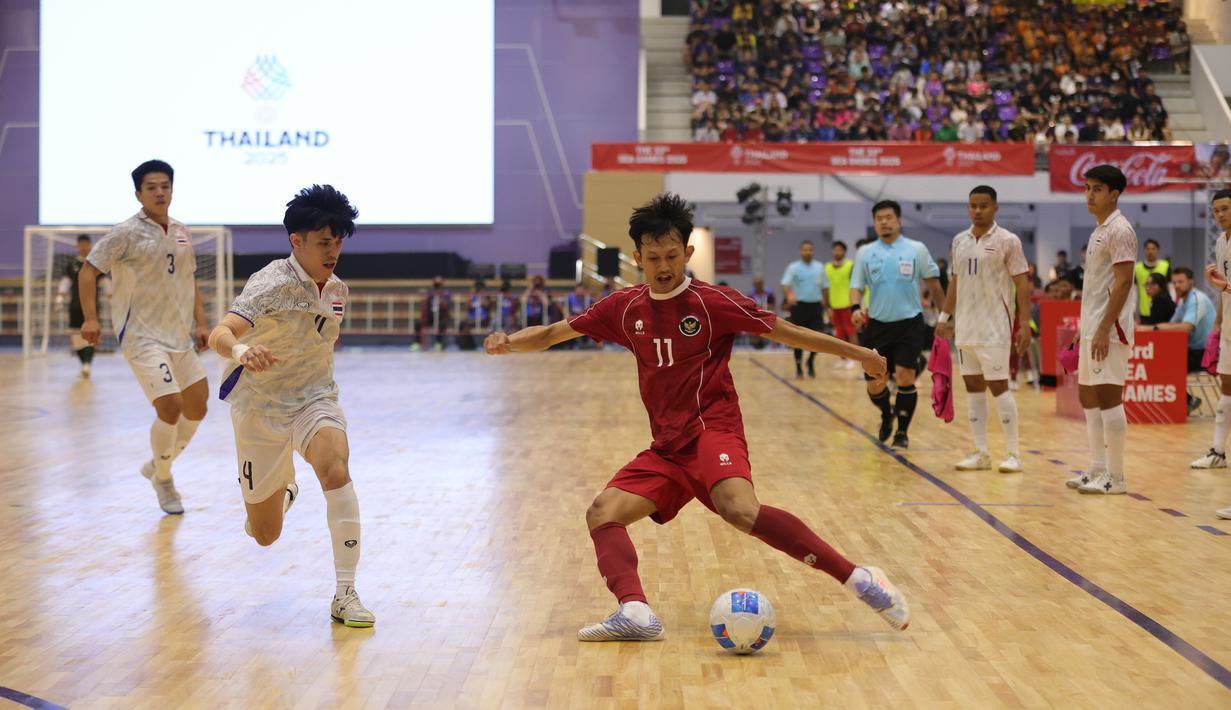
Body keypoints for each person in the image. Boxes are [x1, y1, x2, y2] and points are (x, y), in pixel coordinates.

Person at [484, 193, 909, 641]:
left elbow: (790, 332)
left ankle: (860, 579)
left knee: (738, 509)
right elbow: (553, 333)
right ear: (637, 258)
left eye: (672, 256)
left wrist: (860, 353)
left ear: (687, 253)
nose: (663, 266)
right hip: (667, 447)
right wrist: (510, 341)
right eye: (653, 258)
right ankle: (636, 612)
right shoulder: (624, 308)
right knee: (603, 512)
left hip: (712, 430)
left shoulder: (713, 302)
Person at [207, 185, 374, 628]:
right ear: (296, 241)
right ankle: (282, 491)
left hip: (314, 399)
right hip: (259, 408)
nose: (333, 251)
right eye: (324, 242)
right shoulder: (270, 283)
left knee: (335, 469)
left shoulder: (337, 290)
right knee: (265, 535)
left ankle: (345, 593)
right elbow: (219, 333)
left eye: (338, 242)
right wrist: (242, 350)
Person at [78, 160, 210, 515]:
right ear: (138, 194)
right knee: (170, 406)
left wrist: (201, 323)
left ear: (172, 190)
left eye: (165, 186)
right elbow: (88, 272)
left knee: (198, 406)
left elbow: (189, 281)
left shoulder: (181, 231)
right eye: (151, 187)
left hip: (178, 335)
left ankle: (157, 463)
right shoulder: (125, 233)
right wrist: (90, 317)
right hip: (141, 337)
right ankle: (164, 479)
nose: (159, 192)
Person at [936, 186, 1032, 473]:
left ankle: (1014, 454)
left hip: (995, 329)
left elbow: (1022, 284)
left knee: (999, 387)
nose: (978, 211)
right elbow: (955, 282)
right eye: (973, 206)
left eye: (984, 206)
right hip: (966, 328)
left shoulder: (1008, 241)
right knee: (973, 388)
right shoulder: (959, 241)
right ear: (968, 208)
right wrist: (944, 316)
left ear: (995, 207)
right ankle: (981, 452)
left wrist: (1024, 324)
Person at [851, 200, 946, 449]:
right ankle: (886, 414)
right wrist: (855, 309)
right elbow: (856, 286)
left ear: (899, 220)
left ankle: (902, 432)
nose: (884, 222)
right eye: (879, 218)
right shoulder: (865, 252)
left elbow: (934, 285)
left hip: (909, 324)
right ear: (874, 223)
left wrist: (946, 316)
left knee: (906, 378)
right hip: (877, 326)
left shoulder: (917, 249)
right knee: (875, 384)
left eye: (889, 217)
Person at [1065, 165, 1136, 495]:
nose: (1089, 195)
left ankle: (1116, 477)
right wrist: (1086, 327)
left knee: (1109, 397)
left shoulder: (1120, 230)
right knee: (1088, 396)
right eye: (1087, 188)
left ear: (1114, 194)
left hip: (1111, 329)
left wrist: (1105, 327)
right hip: (1094, 326)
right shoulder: (1098, 231)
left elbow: (1124, 283)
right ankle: (1096, 467)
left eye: (1097, 189)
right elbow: (1097, 288)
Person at [1193, 189, 1231, 472]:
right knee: (1226, 387)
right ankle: (1217, 451)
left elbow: (1224, 286)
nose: (1220, 215)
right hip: (1229, 327)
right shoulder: (1220, 242)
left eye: (1225, 208)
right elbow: (1223, 291)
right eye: (1216, 210)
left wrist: (1224, 285)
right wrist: (1218, 325)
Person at [1152, 267, 1215, 415]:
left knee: (1162, 365)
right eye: (1174, 282)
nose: (1177, 286)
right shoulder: (1183, 301)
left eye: (1181, 282)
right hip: (1194, 351)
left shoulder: (1197, 299)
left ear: (1191, 282)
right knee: (1159, 361)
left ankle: (1187, 401)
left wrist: (1154, 328)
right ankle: (1185, 401)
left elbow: (1186, 327)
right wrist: (1150, 329)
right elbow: (1172, 324)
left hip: (1206, 354)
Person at [58, 234, 106, 378]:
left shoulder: (95, 263)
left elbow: (104, 282)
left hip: (92, 307)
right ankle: (84, 363)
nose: (84, 247)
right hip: (75, 306)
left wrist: (111, 292)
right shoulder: (72, 264)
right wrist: (59, 297)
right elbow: (65, 282)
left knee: (92, 335)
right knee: (76, 338)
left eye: (86, 244)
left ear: (90, 246)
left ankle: (87, 364)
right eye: (81, 245)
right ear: (77, 246)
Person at [780, 240, 827, 378]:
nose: (808, 252)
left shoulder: (819, 267)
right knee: (797, 338)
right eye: (805, 250)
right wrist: (789, 296)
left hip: (816, 306)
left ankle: (810, 361)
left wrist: (826, 302)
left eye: (810, 250)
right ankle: (799, 367)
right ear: (801, 251)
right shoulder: (793, 267)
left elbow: (825, 286)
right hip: (799, 307)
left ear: (813, 251)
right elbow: (785, 284)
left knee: (818, 338)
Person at [825, 241, 858, 369]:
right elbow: (825, 288)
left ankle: (855, 359)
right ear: (832, 251)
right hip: (834, 305)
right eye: (835, 250)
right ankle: (843, 358)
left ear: (844, 252)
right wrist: (828, 306)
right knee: (838, 333)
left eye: (840, 250)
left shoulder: (850, 265)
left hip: (847, 304)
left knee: (851, 331)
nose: (837, 252)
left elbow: (855, 285)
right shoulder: (827, 267)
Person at [1134, 238, 1171, 320]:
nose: (1150, 252)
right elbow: (1134, 291)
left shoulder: (1165, 266)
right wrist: (1133, 309)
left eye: (1153, 249)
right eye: (1148, 249)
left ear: (1158, 250)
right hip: (1144, 311)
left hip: (1163, 309)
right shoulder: (1137, 268)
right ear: (1144, 250)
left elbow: (1171, 288)